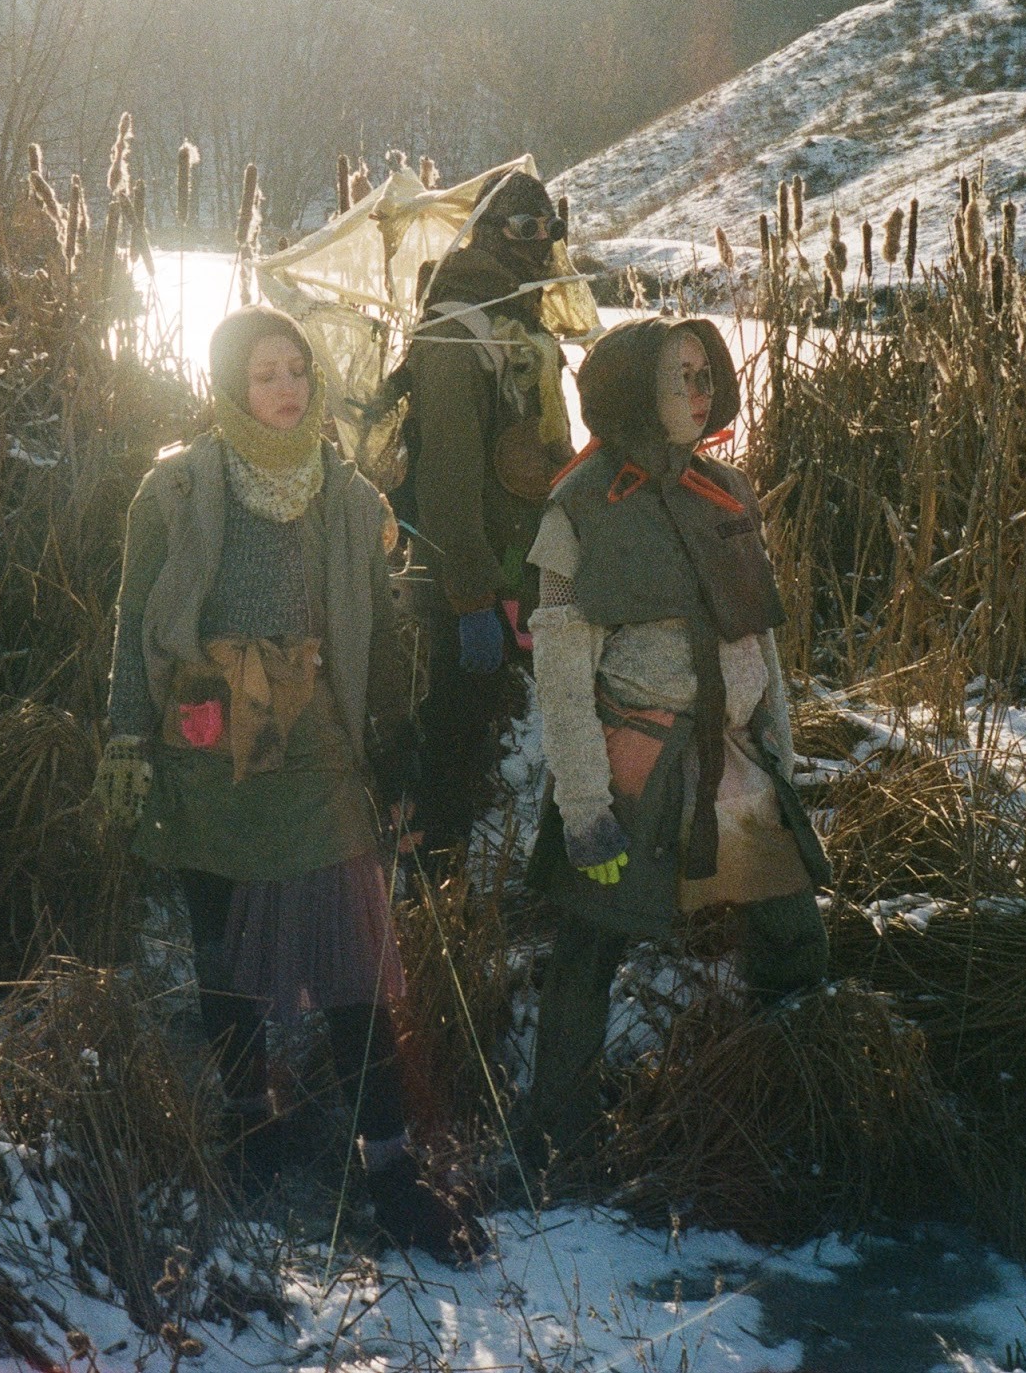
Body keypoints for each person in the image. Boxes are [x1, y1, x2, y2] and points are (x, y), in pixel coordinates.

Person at [92, 304, 477, 1262]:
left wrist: (392, 749)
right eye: (266, 372)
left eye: (298, 368)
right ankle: (248, 1122)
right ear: (231, 385)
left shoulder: (346, 497)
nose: (288, 387)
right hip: (206, 739)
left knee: (356, 955)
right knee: (220, 945)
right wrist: (127, 739)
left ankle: (388, 1162)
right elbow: (135, 618)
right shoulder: (174, 489)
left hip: (315, 745)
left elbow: (379, 637)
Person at [520, 316, 832, 1165]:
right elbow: (561, 673)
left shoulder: (726, 489)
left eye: (705, 374)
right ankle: (560, 1137)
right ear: (629, 392)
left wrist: (780, 751)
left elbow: (759, 635)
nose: (698, 393)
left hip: (732, 760)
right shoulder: (576, 508)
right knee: (592, 941)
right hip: (637, 765)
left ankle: (784, 1110)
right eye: (677, 377)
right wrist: (586, 805)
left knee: (792, 928)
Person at [400, 168, 580, 879]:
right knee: (456, 728)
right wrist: (472, 598)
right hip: (476, 576)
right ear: (487, 233)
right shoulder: (454, 327)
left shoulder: (522, 317)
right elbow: (446, 476)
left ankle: (546, 871)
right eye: (524, 227)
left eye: (549, 228)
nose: (540, 243)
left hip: (529, 562)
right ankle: (425, 882)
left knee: (565, 713)